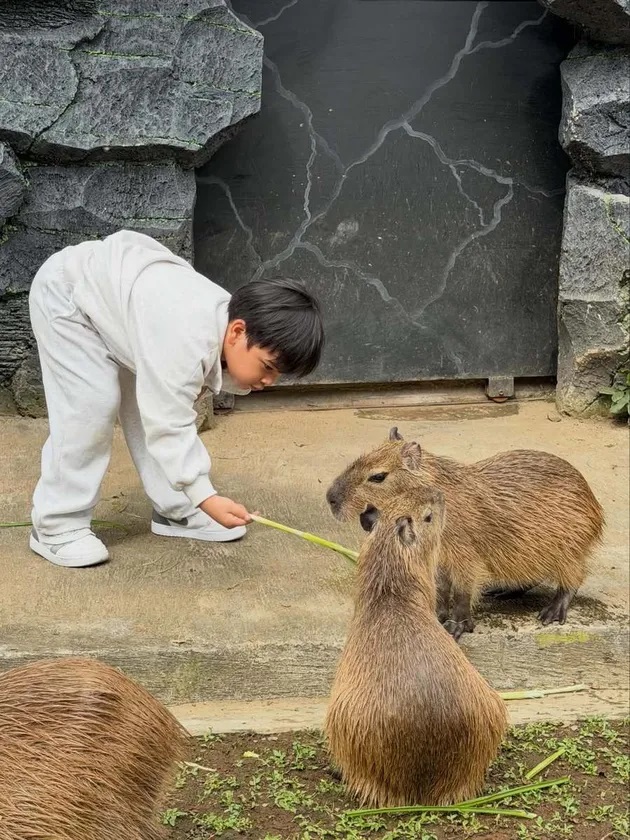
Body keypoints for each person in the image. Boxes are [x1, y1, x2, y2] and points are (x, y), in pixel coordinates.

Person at [27, 229, 324, 568]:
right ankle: (56, 524)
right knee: (90, 408)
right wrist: (206, 497)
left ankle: (176, 508)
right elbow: (169, 423)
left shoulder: (226, 327)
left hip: (121, 305)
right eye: (268, 367)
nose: (269, 381)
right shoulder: (185, 337)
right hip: (69, 299)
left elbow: (168, 409)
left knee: (150, 405)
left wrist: (199, 496)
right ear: (238, 332)